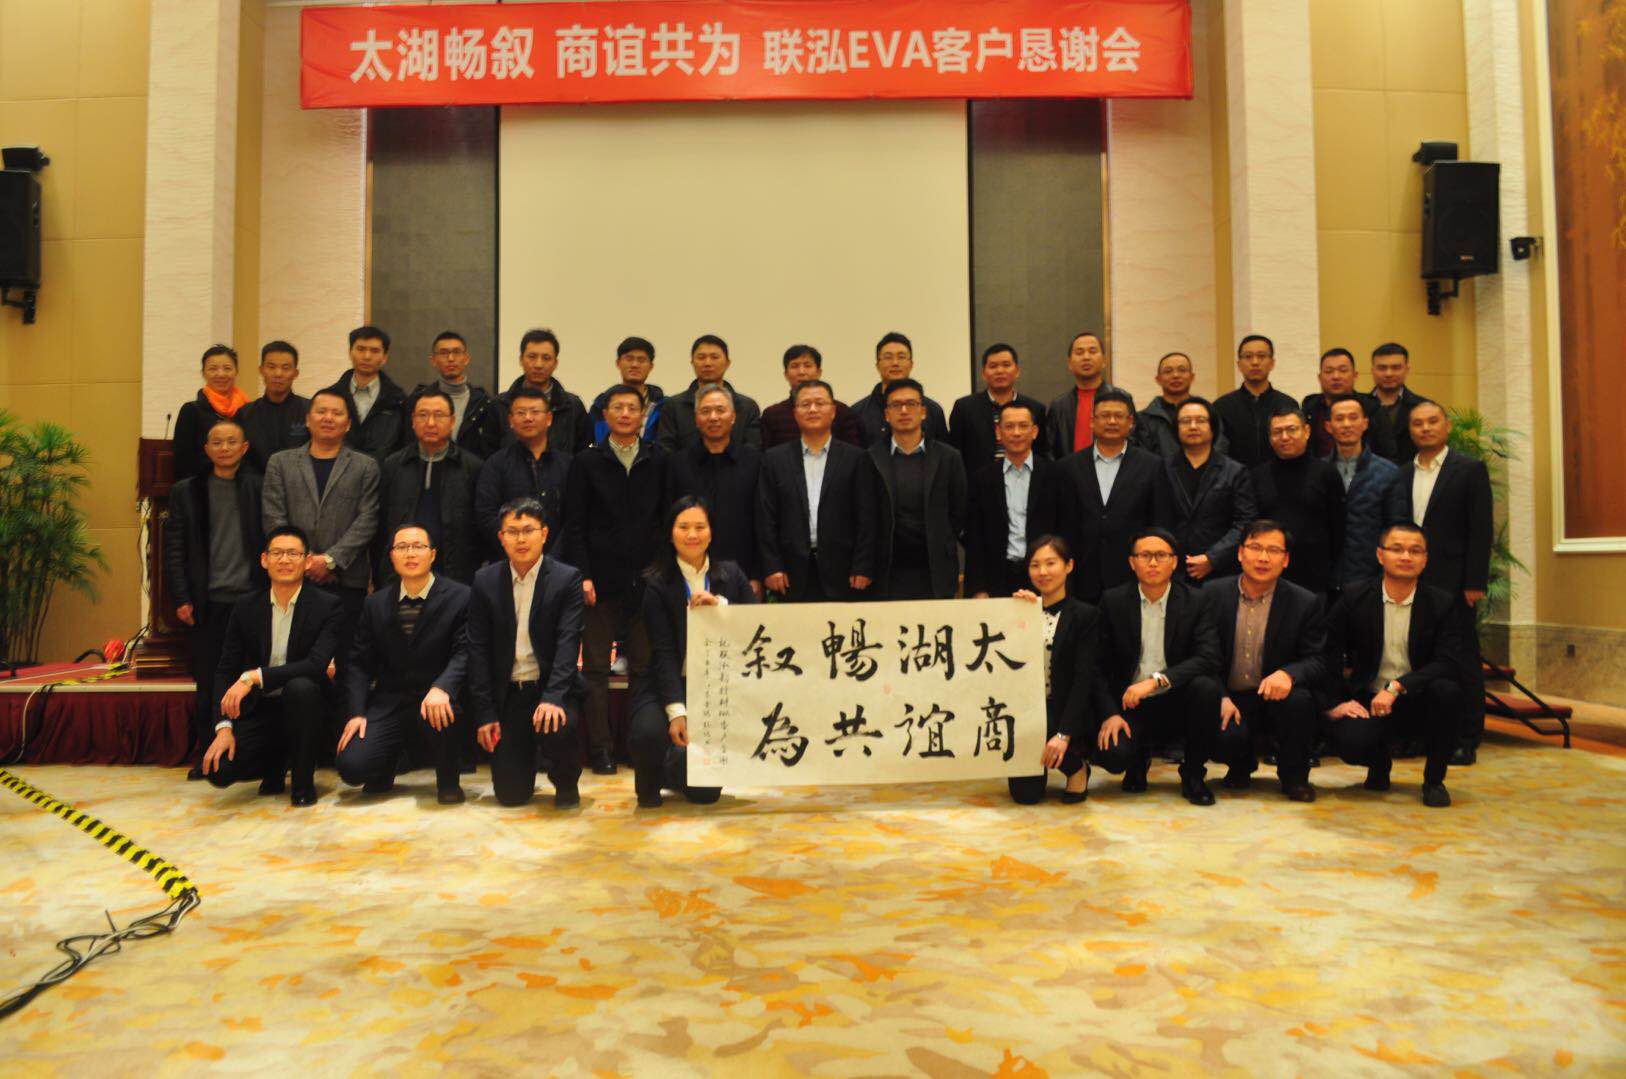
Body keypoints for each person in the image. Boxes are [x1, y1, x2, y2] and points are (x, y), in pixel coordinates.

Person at [1322, 523, 1469, 807]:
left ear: (1425, 559)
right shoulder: (1355, 597)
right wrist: (1337, 702)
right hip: (1370, 698)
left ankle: (1434, 781)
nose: (1406, 557)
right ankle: (1379, 764)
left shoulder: (1441, 603)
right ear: (1380, 555)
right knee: (1349, 741)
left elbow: (1449, 662)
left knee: (1448, 692)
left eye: (1415, 551)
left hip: (1420, 697)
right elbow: (1328, 652)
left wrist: (1398, 686)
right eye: (1397, 549)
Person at [563, 384, 668, 774]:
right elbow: (574, 524)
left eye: (632, 408)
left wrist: (661, 571)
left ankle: (639, 745)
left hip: (647, 579)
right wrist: (583, 576)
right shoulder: (586, 461)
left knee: (643, 665)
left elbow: (666, 521)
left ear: (643, 415)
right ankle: (601, 748)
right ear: (605, 415)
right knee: (594, 668)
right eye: (617, 408)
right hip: (599, 580)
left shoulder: (659, 459)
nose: (624, 414)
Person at [200, 525, 344, 807]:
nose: (285, 560)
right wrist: (224, 728)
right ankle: (275, 762)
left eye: (293, 553)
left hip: (309, 709)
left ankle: (302, 783)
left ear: (307, 561)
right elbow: (225, 669)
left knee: (301, 688)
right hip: (261, 709)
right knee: (218, 771)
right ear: (264, 560)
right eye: (277, 553)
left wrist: (254, 677)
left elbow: (316, 665)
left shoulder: (328, 606)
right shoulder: (245, 606)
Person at [631, 497, 756, 808]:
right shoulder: (656, 584)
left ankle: (676, 770)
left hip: (714, 686)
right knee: (648, 732)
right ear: (671, 533)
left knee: (705, 796)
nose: (692, 535)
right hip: (664, 683)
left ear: (711, 533)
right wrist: (677, 712)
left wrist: (721, 607)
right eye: (683, 527)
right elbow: (662, 653)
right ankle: (652, 778)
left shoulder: (732, 574)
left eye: (700, 527)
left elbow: (755, 626)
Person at [1384, 399, 1492, 761]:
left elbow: (1480, 529)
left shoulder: (1470, 470)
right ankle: (1419, 735)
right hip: (1410, 579)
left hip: (1454, 581)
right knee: (1418, 657)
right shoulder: (1401, 473)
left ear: (1447, 426)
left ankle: (1466, 737)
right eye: (1418, 424)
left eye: (1432, 421)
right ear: (1410, 431)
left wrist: (1474, 581)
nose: (1425, 428)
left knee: (1462, 658)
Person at [336, 524, 471, 804]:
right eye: (402, 547)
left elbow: (464, 652)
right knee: (351, 767)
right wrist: (357, 713)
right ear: (392, 556)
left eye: (418, 546)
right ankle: (386, 765)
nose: (410, 553)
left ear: (432, 554)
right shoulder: (375, 604)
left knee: (444, 710)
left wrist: (443, 687)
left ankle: (448, 781)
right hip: (390, 702)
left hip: (437, 699)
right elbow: (359, 664)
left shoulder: (460, 597)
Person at [261, 389, 381, 703]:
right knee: (298, 666)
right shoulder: (280, 463)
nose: (328, 418)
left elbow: (368, 519)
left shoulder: (365, 466)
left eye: (337, 413)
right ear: (308, 419)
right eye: (321, 411)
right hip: (293, 582)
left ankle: (343, 728)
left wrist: (329, 561)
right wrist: (302, 562)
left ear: (348, 423)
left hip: (345, 581)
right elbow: (274, 516)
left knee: (346, 665)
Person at [163, 418, 266, 778]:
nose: (224, 448)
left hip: (252, 599)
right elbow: (174, 549)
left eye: (231, 442)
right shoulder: (187, 491)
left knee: (251, 677)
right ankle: (208, 754)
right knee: (208, 680)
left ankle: (251, 754)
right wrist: (181, 597)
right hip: (206, 603)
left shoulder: (259, 486)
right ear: (206, 449)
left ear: (245, 448)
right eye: (217, 442)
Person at [1091, 528, 1224, 805]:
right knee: (1112, 755)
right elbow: (1097, 665)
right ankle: (1137, 761)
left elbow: (1208, 657)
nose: (1153, 562)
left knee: (1206, 687)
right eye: (1145, 556)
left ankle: (1193, 774)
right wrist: (1110, 713)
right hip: (1131, 702)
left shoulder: (1196, 601)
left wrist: (1156, 680)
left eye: (1161, 555)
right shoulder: (1113, 601)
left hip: (1178, 698)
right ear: (1132, 562)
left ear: (1174, 562)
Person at [466, 498, 585, 808]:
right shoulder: (485, 581)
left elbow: (568, 643)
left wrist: (553, 697)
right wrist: (485, 713)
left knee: (558, 724)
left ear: (544, 534)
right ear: (501, 537)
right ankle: (523, 765)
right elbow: (477, 650)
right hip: (509, 694)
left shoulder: (566, 578)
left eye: (528, 530)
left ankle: (565, 780)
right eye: (512, 531)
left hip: (550, 687)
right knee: (510, 796)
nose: (521, 539)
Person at [1203, 521, 1328, 802]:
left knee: (1300, 700)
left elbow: (1318, 659)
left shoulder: (1305, 602)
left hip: (1275, 696)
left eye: (1273, 551)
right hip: (1231, 696)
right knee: (1216, 722)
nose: (1263, 558)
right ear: (1240, 553)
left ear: (1286, 560)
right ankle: (1240, 766)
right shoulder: (1211, 594)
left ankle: (1294, 777)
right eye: (1255, 548)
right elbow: (1202, 654)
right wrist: (1220, 695)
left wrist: (1289, 674)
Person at [756, 380, 876, 602]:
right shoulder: (774, 459)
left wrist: (863, 565)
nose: (812, 409)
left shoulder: (856, 458)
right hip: (789, 573)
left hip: (844, 572)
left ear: (833, 411)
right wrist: (772, 566)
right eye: (805, 404)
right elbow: (765, 517)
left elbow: (867, 516)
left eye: (820, 403)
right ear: (795, 413)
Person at [1007, 536, 1100, 805]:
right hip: (1026, 711)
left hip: (1063, 711)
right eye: (1035, 565)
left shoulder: (1085, 615)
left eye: (1051, 563)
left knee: (1047, 727)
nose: (1043, 572)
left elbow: (1083, 680)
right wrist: (1012, 613)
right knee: (1025, 795)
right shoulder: (1021, 611)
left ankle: (1076, 766)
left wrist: (1063, 734)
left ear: (1068, 566)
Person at [1054, 388, 1161, 602]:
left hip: (1132, 573)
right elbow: (1062, 524)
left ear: (1130, 422)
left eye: (1118, 416)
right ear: (1092, 422)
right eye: (1105, 416)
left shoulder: (1152, 466)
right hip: (1081, 575)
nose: (1112, 421)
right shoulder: (1068, 467)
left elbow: (1158, 521)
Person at [864, 379, 967, 600]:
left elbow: (959, 511)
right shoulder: (870, 458)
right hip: (887, 570)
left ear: (923, 412)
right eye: (896, 405)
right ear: (886, 414)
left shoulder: (948, 457)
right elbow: (865, 515)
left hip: (935, 568)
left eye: (911, 404)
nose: (904, 410)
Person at [376, 388, 483, 585]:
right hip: (401, 574)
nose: (431, 423)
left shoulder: (472, 467)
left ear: (452, 421)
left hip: (456, 575)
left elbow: (478, 528)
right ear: (413, 421)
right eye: (423, 415)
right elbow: (382, 524)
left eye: (439, 415)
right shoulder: (394, 464)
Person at [664, 386, 762, 593]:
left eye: (720, 410)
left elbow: (763, 522)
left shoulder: (755, 463)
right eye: (705, 411)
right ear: (696, 419)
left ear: (733, 417)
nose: (713, 417)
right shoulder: (677, 465)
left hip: (743, 573)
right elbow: (668, 522)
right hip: (688, 575)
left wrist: (757, 574)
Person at [963, 402, 1062, 597]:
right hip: (997, 578)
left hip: (1046, 577)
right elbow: (974, 538)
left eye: (1023, 426)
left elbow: (1066, 532)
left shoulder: (1057, 476)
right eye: (1009, 426)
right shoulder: (981, 479)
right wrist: (978, 589)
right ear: (998, 432)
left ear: (1035, 432)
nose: (1016, 433)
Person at [1155, 397, 1257, 584]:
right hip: (1171, 569)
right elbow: (1155, 517)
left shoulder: (1235, 471)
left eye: (1200, 420)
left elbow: (1245, 522)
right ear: (1176, 428)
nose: (1193, 426)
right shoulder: (1161, 468)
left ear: (1213, 427)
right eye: (1185, 421)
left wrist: (1212, 558)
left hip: (1221, 572)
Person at [1252, 408, 1345, 595]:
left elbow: (1338, 528)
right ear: (1270, 438)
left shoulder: (1326, 473)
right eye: (1277, 432)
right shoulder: (1257, 475)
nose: (1284, 437)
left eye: (1291, 429)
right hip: (1268, 573)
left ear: (1307, 431)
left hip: (1315, 578)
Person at [475, 386, 569, 561]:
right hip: (508, 562)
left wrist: (551, 559)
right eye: (521, 412)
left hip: (559, 565)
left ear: (549, 418)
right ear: (511, 420)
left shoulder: (567, 465)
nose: (528, 418)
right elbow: (486, 516)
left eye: (535, 412)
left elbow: (574, 519)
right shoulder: (496, 464)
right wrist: (517, 548)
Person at [1324, 393, 1401, 593]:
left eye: (1353, 417)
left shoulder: (1388, 473)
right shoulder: (1318, 470)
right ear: (1329, 427)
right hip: (1325, 579)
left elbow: (1395, 529)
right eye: (1339, 419)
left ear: (1365, 424)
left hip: (1371, 579)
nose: (1346, 424)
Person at [653, 334, 763, 453]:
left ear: (727, 363)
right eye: (701, 357)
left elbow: (753, 451)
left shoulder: (747, 406)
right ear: (692, 362)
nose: (707, 363)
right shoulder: (673, 406)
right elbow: (666, 450)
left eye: (714, 357)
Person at [948, 343, 1048, 470]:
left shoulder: (1035, 408)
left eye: (1006, 365)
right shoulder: (964, 408)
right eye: (993, 366)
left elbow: (1041, 453)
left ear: (1017, 371)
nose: (1000, 371)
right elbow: (954, 454)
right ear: (983, 373)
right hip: (977, 481)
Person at [405, 331, 502, 459]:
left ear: (466, 359)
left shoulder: (484, 403)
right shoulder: (418, 401)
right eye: (444, 353)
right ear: (433, 360)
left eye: (456, 352)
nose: (451, 358)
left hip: (471, 469)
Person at [323, 325, 409, 465]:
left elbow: (404, 448)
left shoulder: (399, 401)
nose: (367, 356)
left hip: (382, 476)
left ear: (385, 357)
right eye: (361, 349)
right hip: (336, 474)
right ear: (350, 352)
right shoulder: (329, 397)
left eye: (374, 351)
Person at [850, 331, 951, 447]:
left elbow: (943, 454)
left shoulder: (932, 410)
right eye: (888, 357)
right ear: (877, 365)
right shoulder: (858, 412)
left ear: (911, 364)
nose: (895, 363)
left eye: (901, 357)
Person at [1213, 334, 1299, 468]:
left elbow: (1295, 448)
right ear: (1239, 365)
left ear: (1272, 363)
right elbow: (1218, 453)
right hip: (1235, 478)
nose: (1255, 362)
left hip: (1280, 476)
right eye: (1248, 357)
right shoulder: (1222, 406)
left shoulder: (1287, 403)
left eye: (1261, 356)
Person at [500, 328, 591, 454]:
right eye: (532, 357)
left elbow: (583, 454)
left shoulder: (572, 406)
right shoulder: (500, 404)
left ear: (555, 363)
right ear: (521, 359)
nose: (538, 364)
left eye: (546, 358)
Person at [1044, 331, 1134, 457]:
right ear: (1070, 363)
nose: (1086, 357)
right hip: (1069, 469)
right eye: (1079, 352)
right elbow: (1049, 450)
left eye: (1092, 351)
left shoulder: (1122, 399)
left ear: (1104, 361)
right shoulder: (1059, 406)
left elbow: (1134, 442)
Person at [758, 344, 861, 450]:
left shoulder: (841, 411)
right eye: (794, 366)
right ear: (786, 374)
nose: (801, 372)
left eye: (807, 366)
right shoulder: (772, 415)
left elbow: (853, 454)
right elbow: (766, 455)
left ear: (819, 372)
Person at [172, 344, 250, 483]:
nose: (221, 374)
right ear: (203, 373)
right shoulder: (192, 411)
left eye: (227, 368)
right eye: (213, 369)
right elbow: (183, 461)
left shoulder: (248, 410)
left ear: (236, 371)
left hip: (242, 485)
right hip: (201, 486)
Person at [1135, 351, 1227, 458]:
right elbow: (1143, 457)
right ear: (1158, 379)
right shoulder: (1143, 419)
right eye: (1168, 371)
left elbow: (1220, 447)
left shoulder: (1209, 413)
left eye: (1182, 370)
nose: (1176, 375)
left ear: (1192, 377)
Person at [238, 340, 309, 474]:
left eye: (285, 368)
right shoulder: (245, 414)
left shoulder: (310, 411)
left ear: (295, 373)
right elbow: (239, 458)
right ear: (261, 370)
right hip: (256, 484)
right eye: (271, 367)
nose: (278, 374)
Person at [589, 336, 665, 445]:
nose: (635, 365)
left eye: (641, 360)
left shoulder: (664, 407)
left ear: (651, 366)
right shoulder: (600, 406)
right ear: (618, 363)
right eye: (629, 359)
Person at [1301, 348, 1376, 458]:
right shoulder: (1310, 406)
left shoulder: (1372, 406)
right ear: (1320, 378)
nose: (1336, 376)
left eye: (1343, 370)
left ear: (1355, 375)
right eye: (1329, 371)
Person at [1367, 342, 1427, 465]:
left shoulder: (1424, 407)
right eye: (1382, 368)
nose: (1388, 373)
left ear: (1407, 369)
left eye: (1396, 367)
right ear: (1372, 370)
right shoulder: (1359, 406)